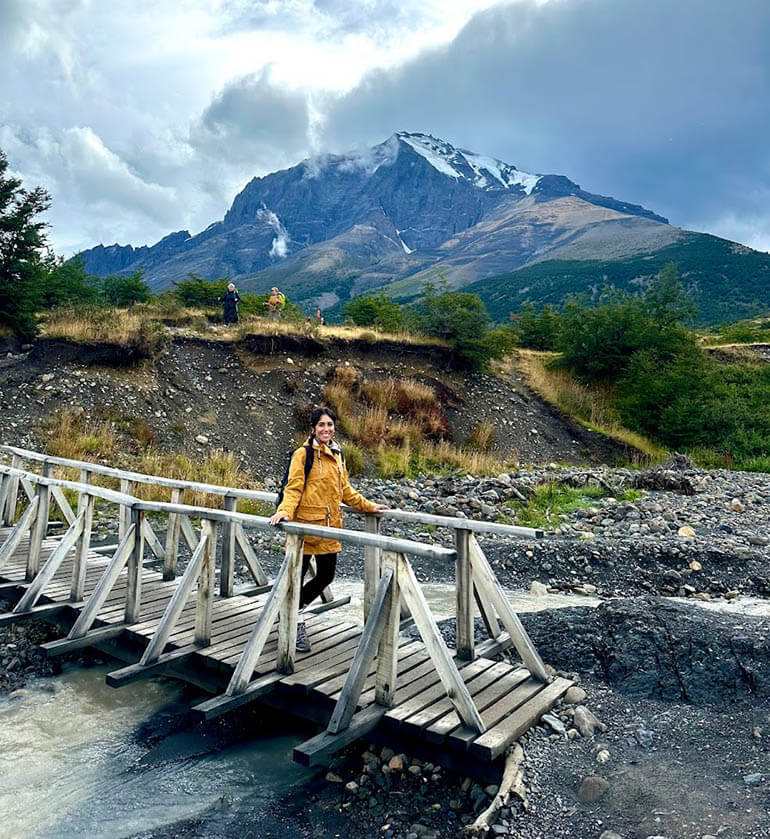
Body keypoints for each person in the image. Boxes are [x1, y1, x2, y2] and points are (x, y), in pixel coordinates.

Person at [269, 406, 388, 652]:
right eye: (321, 425)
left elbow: (345, 490)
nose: (326, 429)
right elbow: (294, 488)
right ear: (313, 428)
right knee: (295, 578)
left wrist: (368, 506)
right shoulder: (303, 455)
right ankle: (295, 622)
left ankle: (292, 610)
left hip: (329, 526)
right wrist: (284, 512)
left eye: (329, 425)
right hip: (304, 528)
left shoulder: (338, 453)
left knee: (326, 576)